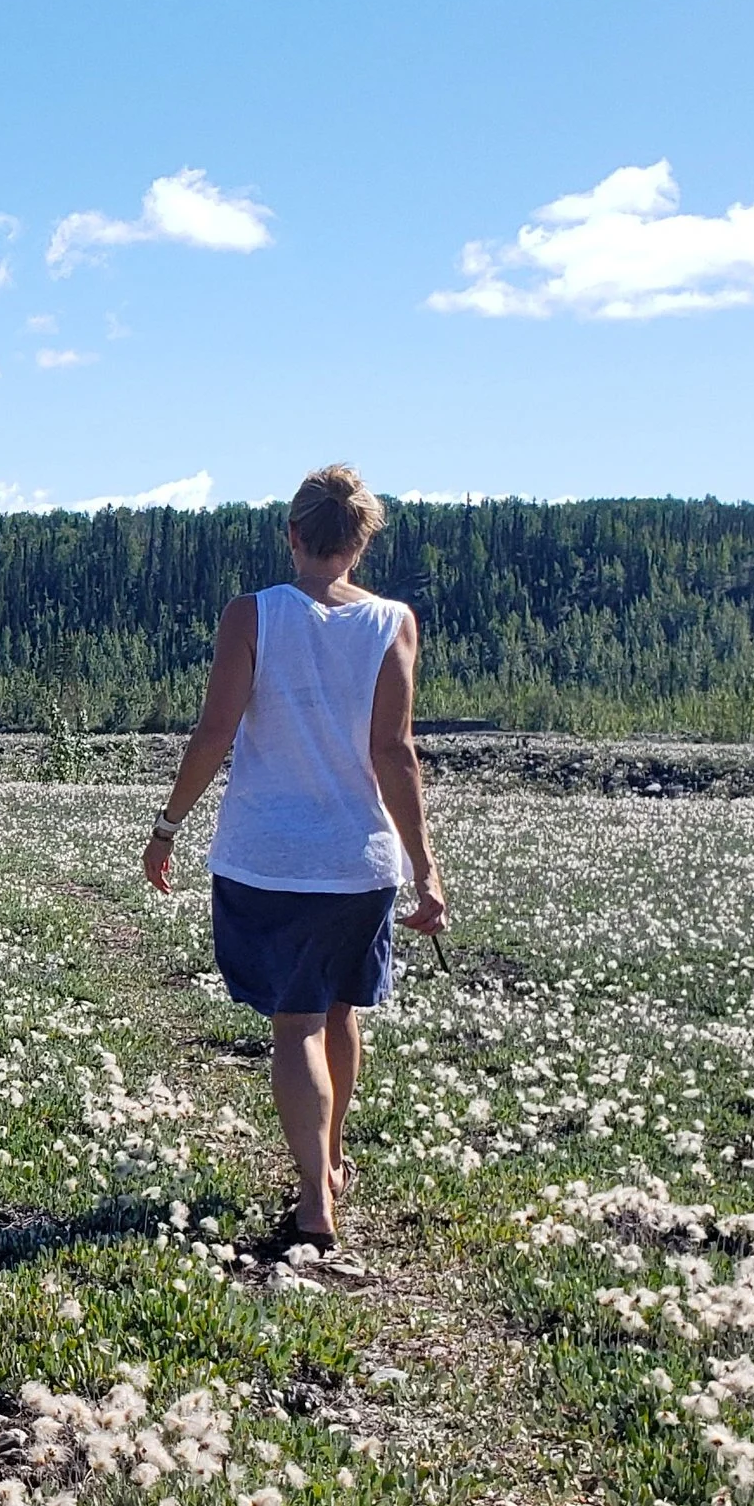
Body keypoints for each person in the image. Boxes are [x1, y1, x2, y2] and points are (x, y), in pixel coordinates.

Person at [141, 463, 447, 1248]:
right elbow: (395, 753)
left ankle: (315, 1199)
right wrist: (426, 867)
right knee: (340, 1009)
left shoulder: (254, 615)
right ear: (360, 542)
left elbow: (215, 732)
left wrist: (169, 824)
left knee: (296, 1023)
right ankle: (332, 1156)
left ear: (293, 534)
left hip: (268, 858)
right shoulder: (393, 622)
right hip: (360, 860)